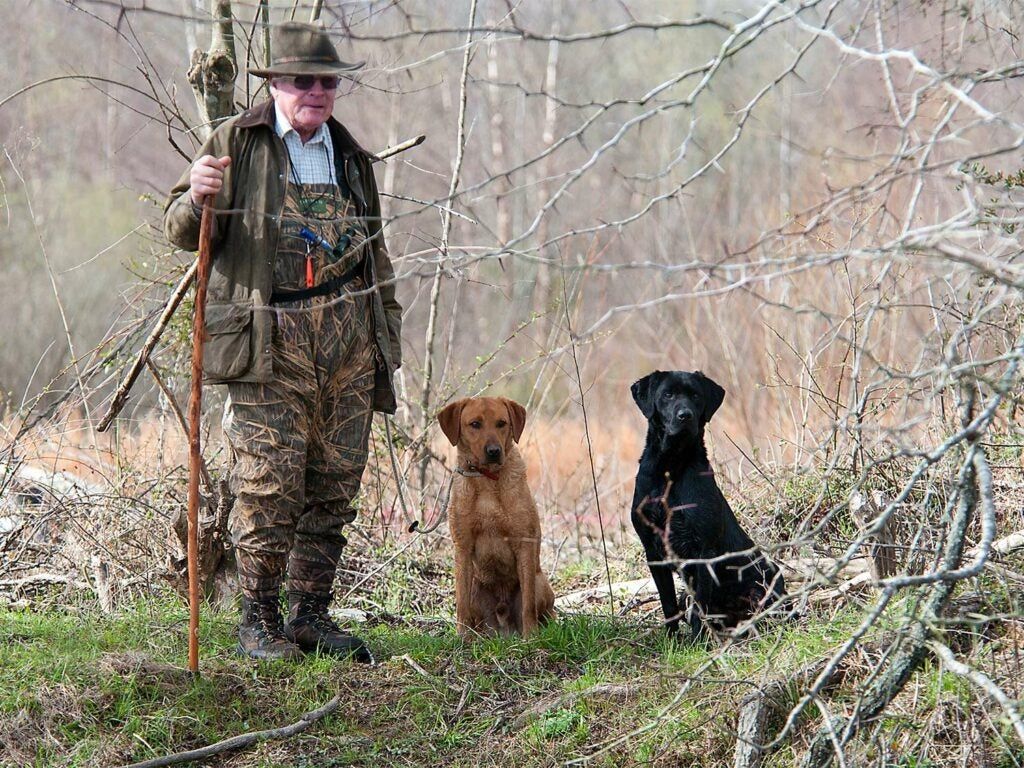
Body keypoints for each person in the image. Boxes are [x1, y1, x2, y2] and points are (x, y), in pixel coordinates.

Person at [163, 22, 402, 663]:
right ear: (276, 86)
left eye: (327, 81)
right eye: (303, 81)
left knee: (335, 484)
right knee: (269, 485)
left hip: (350, 344)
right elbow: (182, 231)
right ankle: (257, 624)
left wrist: (387, 336)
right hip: (270, 343)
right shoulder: (237, 143)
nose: (317, 91)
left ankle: (310, 618)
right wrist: (195, 196)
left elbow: (375, 255)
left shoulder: (351, 158)